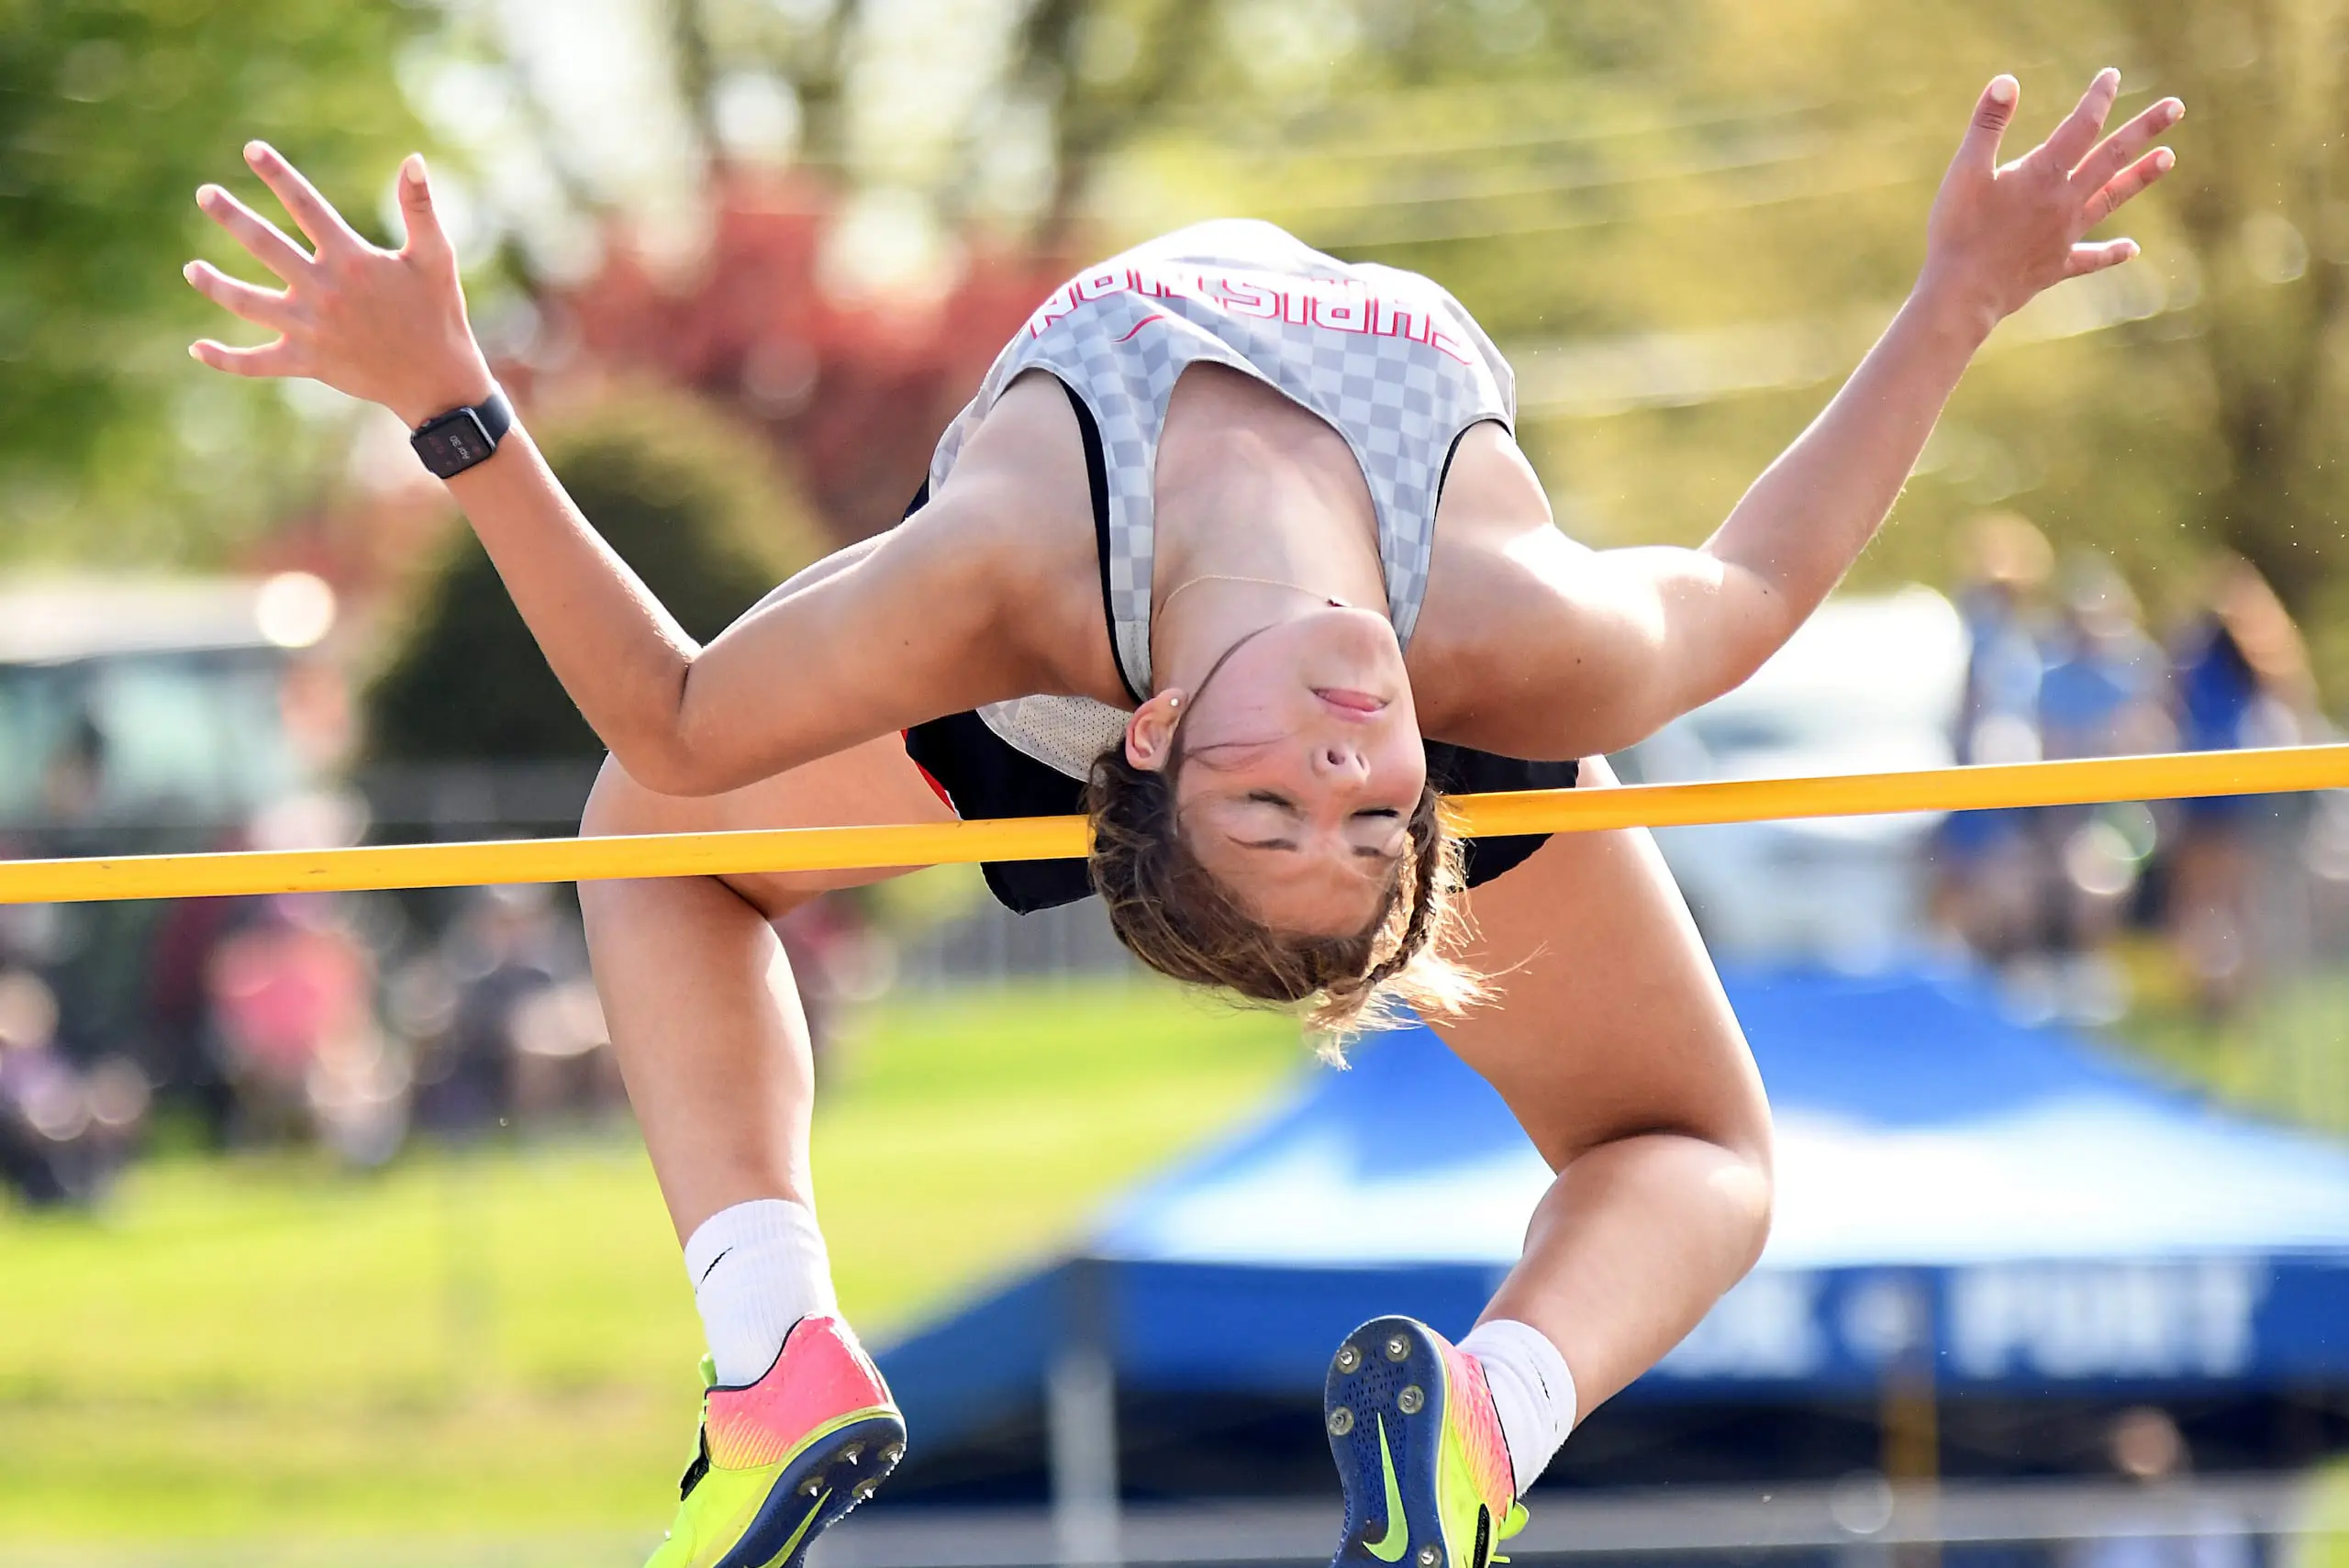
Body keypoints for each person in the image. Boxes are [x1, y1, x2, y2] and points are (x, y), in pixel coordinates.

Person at [184, 68, 2181, 1568]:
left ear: (1143, 744)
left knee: (648, 815)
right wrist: (1953, 299)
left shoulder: (1007, 565)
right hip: (1346, 675)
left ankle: (770, 1347)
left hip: (1057, 665)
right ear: (1429, 809)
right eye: (1364, 811)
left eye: (1275, 794)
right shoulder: (1498, 657)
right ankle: (1477, 1429)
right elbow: (1742, 595)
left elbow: (677, 709)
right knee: (1699, 1146)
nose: (1342, 744)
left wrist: (450, 396)